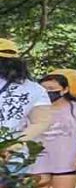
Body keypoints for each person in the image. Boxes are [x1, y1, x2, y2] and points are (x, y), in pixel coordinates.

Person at [30, 72, 76, 188]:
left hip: (66, 161)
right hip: (38, 161)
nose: (47, 92)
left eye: (51, 89)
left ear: (65, 89)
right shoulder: (33, 108)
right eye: (43, 89)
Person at [0, 38, 54, 174]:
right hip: (13, 156)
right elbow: (41, 122)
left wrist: (11, 145)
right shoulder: (35, 88)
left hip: (11, 158)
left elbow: (41, 122)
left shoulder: (33, 89)